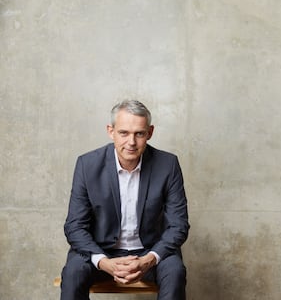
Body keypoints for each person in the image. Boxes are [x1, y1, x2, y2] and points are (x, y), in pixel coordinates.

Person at [60, 99, 190, 300]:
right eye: (124, 133)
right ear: (111, 131)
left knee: (175, 271)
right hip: (101, 251)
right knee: (73, 272)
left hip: (149, 252)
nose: (131, 142)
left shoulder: (168, 165)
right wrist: (104, 262)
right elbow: (74, 226)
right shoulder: (87, 165)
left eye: (139, 133)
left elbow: (178, 226)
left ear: (150, 132)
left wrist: (148, 259)